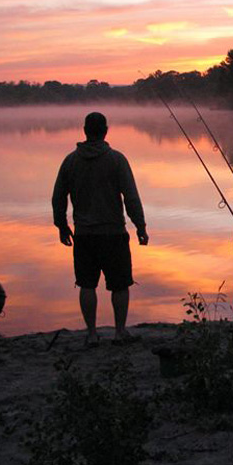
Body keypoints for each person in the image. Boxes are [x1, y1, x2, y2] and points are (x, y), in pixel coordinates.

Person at [52, 111, 149, 346]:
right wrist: (141, 226)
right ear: (105, 131)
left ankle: (92, 334)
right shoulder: (117, 160)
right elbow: (131, 198)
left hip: (84, 235)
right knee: (120, 284)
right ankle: (119, 332)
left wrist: (62, 226)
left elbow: (58, 198)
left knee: (86, 284)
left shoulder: (70, 161)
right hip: (113, 233)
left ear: (85, 131)